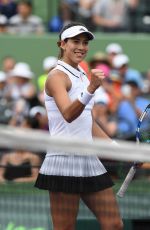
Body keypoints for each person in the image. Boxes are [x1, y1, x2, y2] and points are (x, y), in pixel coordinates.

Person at [35, 22, 123, 230]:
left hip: (88, 158)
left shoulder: (83, 75)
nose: (81, 47)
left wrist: (120, 150)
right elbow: (68, 114)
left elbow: (88, 121)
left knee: (114, 225)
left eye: (85, 43)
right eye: (76, 41)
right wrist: (92, 88)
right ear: (62, 44)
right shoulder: (56, 76)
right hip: (63, 160)